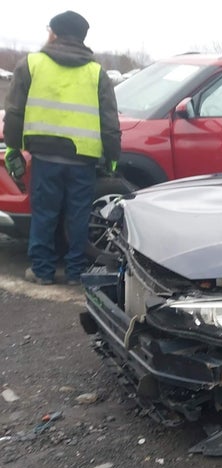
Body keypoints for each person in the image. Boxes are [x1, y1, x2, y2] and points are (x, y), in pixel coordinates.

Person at [3, 10, 121, 285]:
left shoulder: (31, 64)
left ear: (55, 34)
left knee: (44, 213)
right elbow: (109, 121)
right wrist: (113, 157)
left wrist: (12, 148)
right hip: (83, 159)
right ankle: (75, 272)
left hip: (44, 156)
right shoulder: (96, 72)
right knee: (78, 216)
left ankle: (42, 271)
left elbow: (15, 112)